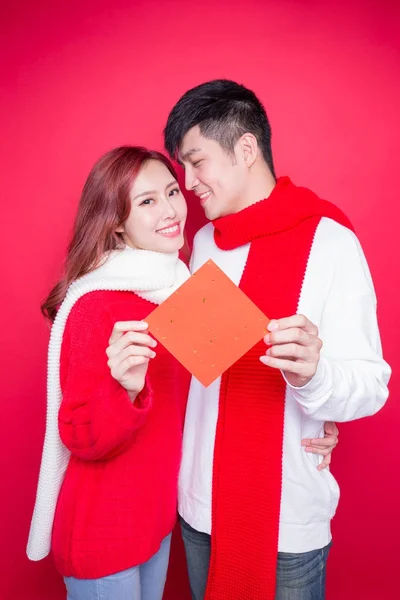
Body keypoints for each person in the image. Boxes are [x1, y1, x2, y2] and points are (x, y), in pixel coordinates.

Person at [163, 79, 391, 600]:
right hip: (200, 505)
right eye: (182, 168)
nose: (190, 182)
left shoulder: (331, 242)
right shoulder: (200, 243)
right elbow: (198, 370)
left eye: (197, 162)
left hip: (287, 519)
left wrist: (316, 375)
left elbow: (371, 384)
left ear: (246, 149)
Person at [26, 146, 192, 600]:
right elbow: (78, 434)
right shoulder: (95, 304)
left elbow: (222, 385)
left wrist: (312, 408)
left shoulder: (180, 287)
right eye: (146, 201)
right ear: (116, 220)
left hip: (156, 522)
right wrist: (125, 388)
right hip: (102, 533)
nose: (170, 209)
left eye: (172, 192)